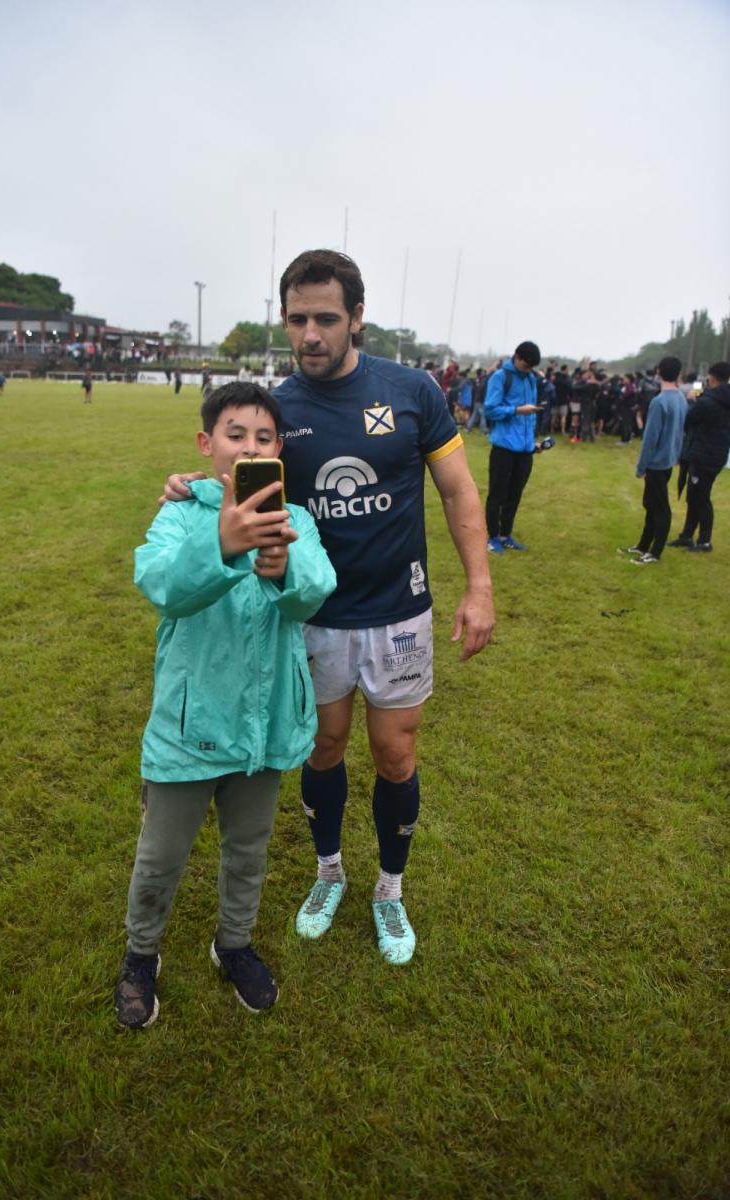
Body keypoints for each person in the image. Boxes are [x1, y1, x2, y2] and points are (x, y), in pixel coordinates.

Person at [163, 249, 495, 966]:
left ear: (357, 318)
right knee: (325, 748)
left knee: (396, 754)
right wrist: (191, 484)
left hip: (401, 610)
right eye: (297, 320)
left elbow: (458, 490)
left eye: (325, 318)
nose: (309, 334)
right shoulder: (280, 408)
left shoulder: (412, 391)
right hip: (314, 614)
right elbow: (237, 464)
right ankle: (329, 874)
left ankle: (390, 889)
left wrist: (480, 588)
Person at [114, 381, 336, 1027]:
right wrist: (223, 543)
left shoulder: (297, 520)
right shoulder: (181, 513)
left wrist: (284, 565)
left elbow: (316, 591)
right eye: (235, 434)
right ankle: (140, 954)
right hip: (189, 726)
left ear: (279, 451)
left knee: (249, 850)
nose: (250, 447)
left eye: (264, 438)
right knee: (160, 857)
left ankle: (234, 943)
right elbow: (163, 586)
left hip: (264, 727)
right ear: (206, 443)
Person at [619, 356, 688, 565]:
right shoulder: (681, 398)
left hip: (657, 463)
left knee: (660, 509)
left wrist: (641, 467)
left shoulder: (660, 402)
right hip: (668, 460)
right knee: (650, 504)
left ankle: (655, 552)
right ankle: (643, 545)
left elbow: (650, 439)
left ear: (658, 372)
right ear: (678, 373)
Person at [483, 341, 543, 554]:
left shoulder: (531, 379)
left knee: (515, 495)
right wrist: (516, 410)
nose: (528, 370)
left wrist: (532, 443)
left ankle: (505, 534)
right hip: (503, 448)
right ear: (516, 357)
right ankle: (492, 537)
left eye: (531, 368)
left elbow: (530, 416)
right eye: (525, 365)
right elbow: (490, 410)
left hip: (525, 450)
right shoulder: (500, 377)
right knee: (497, 494)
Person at [668, 360, 730, 554]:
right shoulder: (721, 398)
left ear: (711, 377)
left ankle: (704, 541)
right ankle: (687, 535)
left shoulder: (707, 401)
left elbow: (688, 420)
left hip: (704, 454)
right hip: (717, 452)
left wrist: (693, 400)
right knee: (694, 495)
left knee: (700, 497)